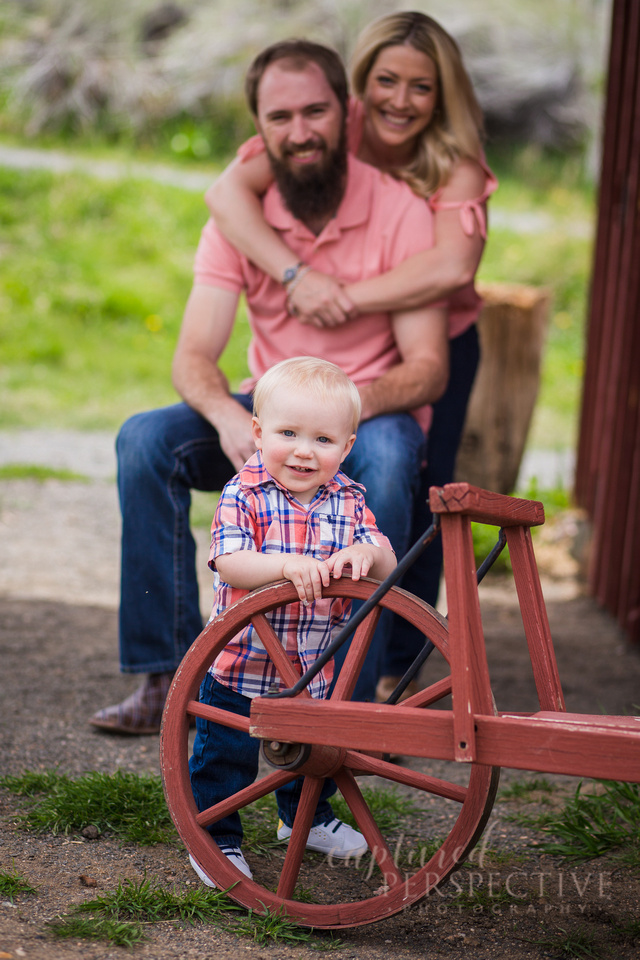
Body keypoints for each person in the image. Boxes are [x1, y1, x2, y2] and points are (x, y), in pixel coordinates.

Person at [89, 37, 448, 735]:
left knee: (394, 456)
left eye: (315, 111)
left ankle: (349, 697)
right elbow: (194, 354)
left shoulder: (402, 210)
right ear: (258, 128)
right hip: (264, 405)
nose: (300, 131)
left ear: (346, 111)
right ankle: (171, 676)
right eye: (279, 117)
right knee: (145, 441)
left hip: (368, 407)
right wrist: (228, 416)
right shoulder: (238, 223)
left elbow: (428, 365)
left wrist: (338, 421)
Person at [205, 11, 497, 701]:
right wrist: (297, 276)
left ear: (442, 95)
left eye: (420, 87)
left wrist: (343, 295)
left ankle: (396, 663)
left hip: (434, 333)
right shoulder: (334, 130)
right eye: (386, 81)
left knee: (427, 486)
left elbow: (451, 266)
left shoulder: (452, 164)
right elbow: (224, 194)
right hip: (332, 325)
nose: (401, 100)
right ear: (359, 89)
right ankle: (223, 670)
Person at [188, 357, 397, 882]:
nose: (304, 451)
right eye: (288, 433)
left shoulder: (348, 500)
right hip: (241, 664)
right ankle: (217, 838)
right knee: (226, 758)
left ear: (347, 447)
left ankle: (306, 820)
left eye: (324, 440)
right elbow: (229, 560)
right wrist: (284, 566)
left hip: (312, 665)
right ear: (257, 432)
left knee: (313, 755)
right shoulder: (244, 493)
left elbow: (386, 559)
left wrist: (365, 556)